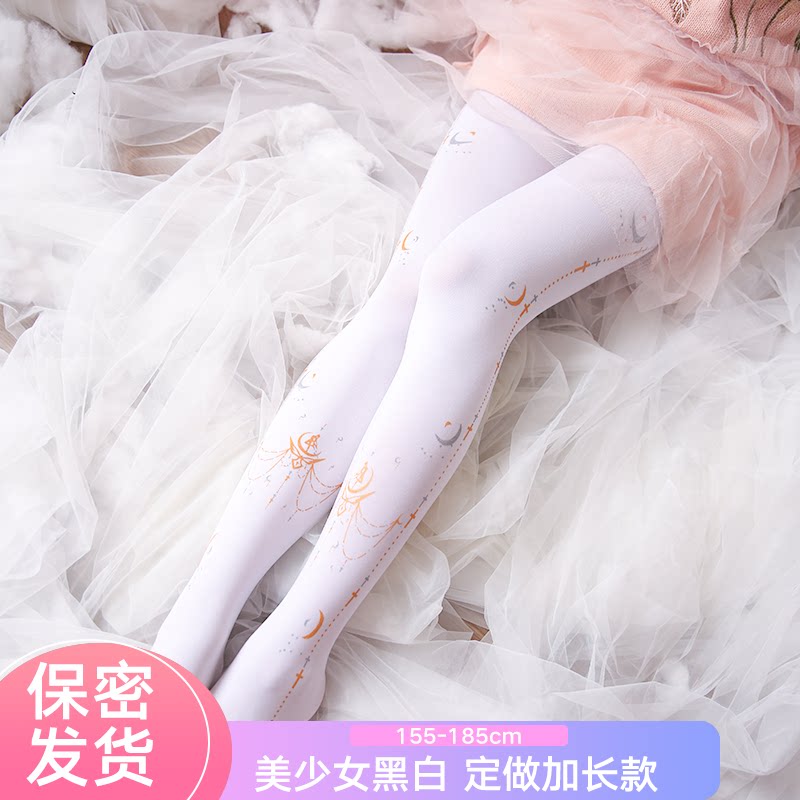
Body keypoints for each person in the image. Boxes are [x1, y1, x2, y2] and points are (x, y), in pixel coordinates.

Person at [152, 0, 800, 720]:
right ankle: (195, 623)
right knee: (405, 290)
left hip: (733, 95)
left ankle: (295, 647)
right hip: (590, 30)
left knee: (470, 277)